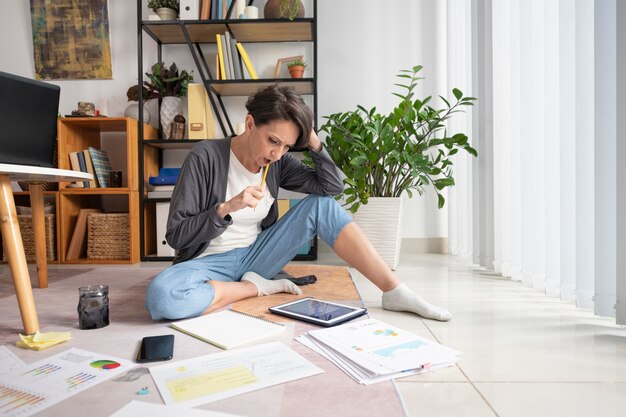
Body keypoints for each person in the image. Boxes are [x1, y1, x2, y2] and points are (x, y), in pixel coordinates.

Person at [145, 85, 451, 322]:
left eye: (288, 145)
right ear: (249, 124)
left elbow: (331, 187)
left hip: (258, 255)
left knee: (323, 207)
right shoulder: (206, 157)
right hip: (207, 262)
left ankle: (395, 291)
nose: (278, 153)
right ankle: (256, 288)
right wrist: (225, 209)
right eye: (273, 141)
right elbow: (176, 235)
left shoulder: (276, 163)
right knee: (163, 297)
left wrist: (313, 140)